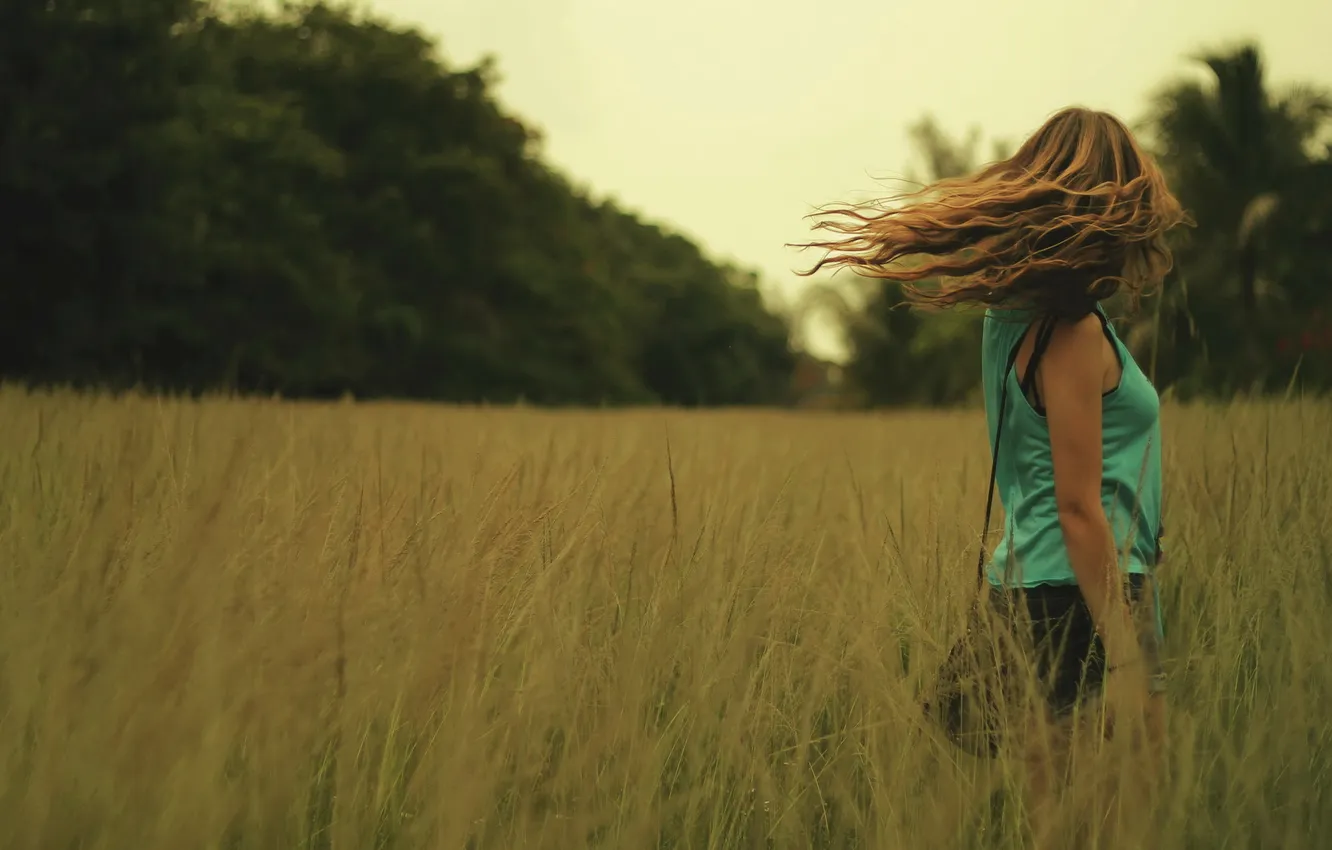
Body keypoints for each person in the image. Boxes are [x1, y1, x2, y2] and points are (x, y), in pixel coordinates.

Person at [796, 106, 1188, 847]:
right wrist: (1130, 654)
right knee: (1121, 816)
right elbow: (1077, 508)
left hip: (1030, 589)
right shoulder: (1071, 333)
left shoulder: (1010, 316)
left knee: (1059, 821)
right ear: (1109, 211)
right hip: (1086, 594)